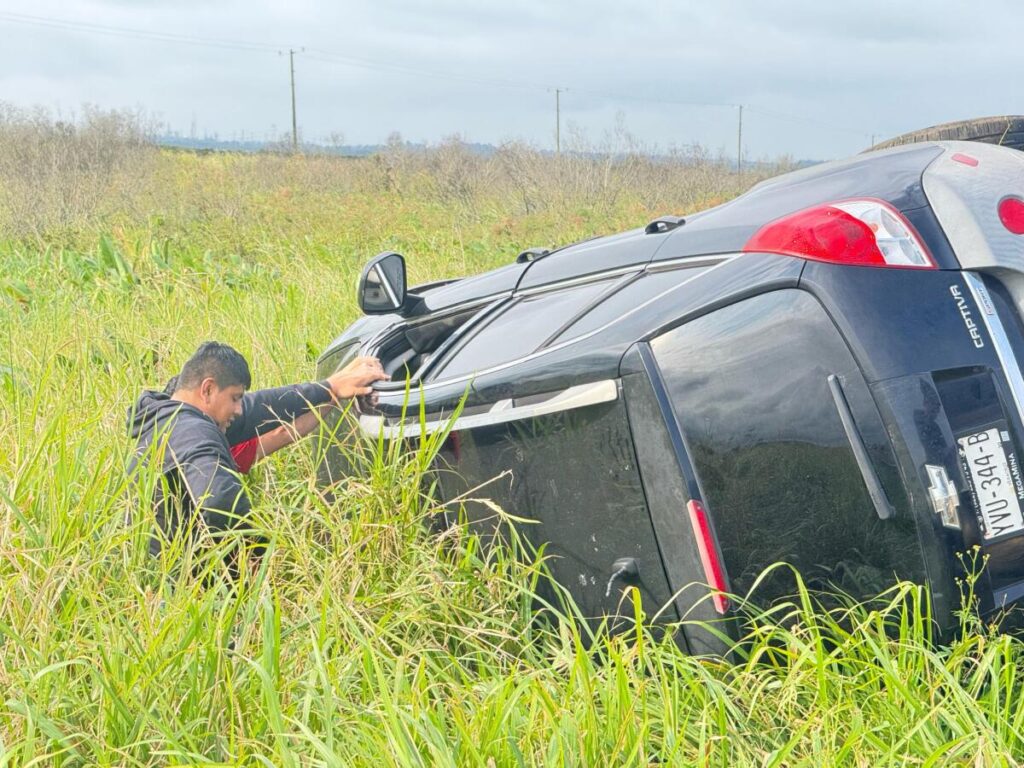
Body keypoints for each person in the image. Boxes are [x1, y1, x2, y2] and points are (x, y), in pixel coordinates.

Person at [127, 341, 388, 562]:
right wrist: (253, 562)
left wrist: (329, 388)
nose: (239, 408)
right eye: (235, 398)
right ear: (207, 389)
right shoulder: (193, 432)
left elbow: (260, 407)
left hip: (148, 573)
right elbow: (220, 501)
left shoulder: (166, 418)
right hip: (175, 587)